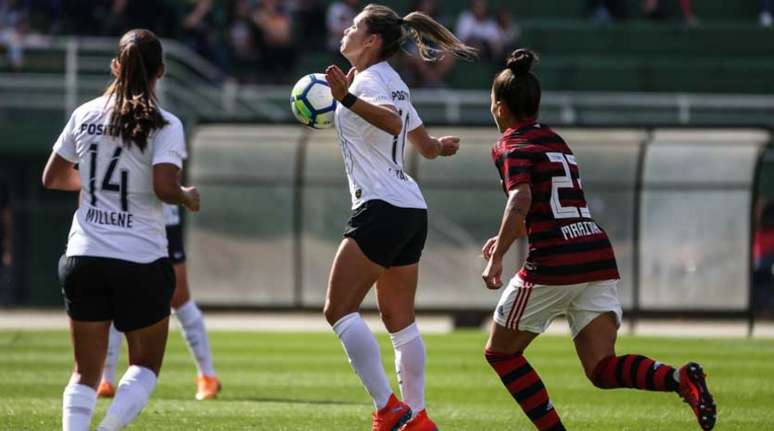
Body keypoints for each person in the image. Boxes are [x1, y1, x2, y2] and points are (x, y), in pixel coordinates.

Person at [481, 48, 717, 431]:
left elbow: (521, 198)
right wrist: (506, 234)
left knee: (501, 354)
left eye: (492, 103)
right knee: (602, 368)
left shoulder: (509, 144)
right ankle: (680, 379)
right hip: (595, 254)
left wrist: (497, 258)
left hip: (555, 261)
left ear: (501, 107)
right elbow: (549, 206)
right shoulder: (556, 141)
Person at [322, 4, 477, 431]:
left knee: (338, 309)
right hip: (410, 208)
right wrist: (440, 147)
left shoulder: (368, 81)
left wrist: (346, 99)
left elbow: (391, 124)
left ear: (372, 41)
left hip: (381, 206)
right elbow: (423, 146)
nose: (347, 29)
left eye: (355, 27)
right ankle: (418, 415)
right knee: (399, 320)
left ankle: (388, 408)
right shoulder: (393, 81)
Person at [42, 29, 200, 431]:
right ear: (161, 72)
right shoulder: (166, 124)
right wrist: (186, 196)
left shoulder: (85, 113)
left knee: (84, 373)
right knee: (145, 365)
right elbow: (165, 187)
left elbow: (53, 177)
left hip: (84, 255)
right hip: (140, 260)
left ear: (116, 66)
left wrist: (93, 184)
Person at [97, 203, 220, 401]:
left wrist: (182, 194)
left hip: (161, 218)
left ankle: (207, 375)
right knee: (115, 293)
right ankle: (105, 379)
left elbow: (166, 180)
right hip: (120, 219)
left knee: (178, 296)